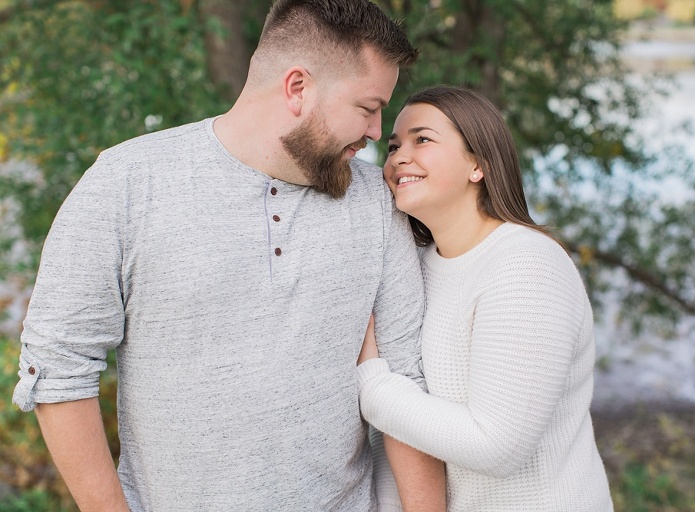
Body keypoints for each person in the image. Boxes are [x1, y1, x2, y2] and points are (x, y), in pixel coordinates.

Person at [11, 1, 446, 510]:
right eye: (368, 108)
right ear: (298, 87)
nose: (377, 132)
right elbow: (58, 368)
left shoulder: (375, 201)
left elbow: (405, 384)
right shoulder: (127, 183)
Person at [357, 85, 614, 511]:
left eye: (422, 139)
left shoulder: (526, 266)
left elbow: (497, 447)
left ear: (477, 164)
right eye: (393, 145)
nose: (399, 157)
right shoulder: (417, 265)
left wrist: (371, 382)